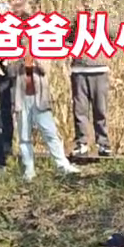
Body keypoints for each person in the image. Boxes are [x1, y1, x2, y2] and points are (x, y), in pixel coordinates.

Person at [10, 43, 79, 182]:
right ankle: (29, 170)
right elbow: (10, 72)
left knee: (51, 133)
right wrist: (21, 61)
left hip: (40, 100)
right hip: (22, 100)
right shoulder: (16, 57)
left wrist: (34, 61)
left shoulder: (42, 53)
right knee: (24, 137)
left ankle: (62, 165)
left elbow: (46, 69)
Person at [69, 21, 111, 158]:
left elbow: (114, 33)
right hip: (79, 70)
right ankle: (82, 143)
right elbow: (67, 37)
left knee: (100, 108)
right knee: (79, 109)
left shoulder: (105, 18)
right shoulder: (76, 20)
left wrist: (96, 22)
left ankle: (103, 143)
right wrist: (78, 23)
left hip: (100, 68)